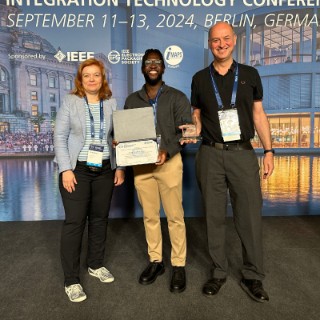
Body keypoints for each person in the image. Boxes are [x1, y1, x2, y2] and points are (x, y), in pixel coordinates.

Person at [189, 22, 274, 302]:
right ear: (209, 43)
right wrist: (192, 130)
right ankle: (218, 272)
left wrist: (269, 151)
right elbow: (197, 116)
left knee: (249, 217)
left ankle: (253, 276)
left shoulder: (250, 74)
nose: (221, 44)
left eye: (226, 39)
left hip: (242, 153)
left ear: (234, 41)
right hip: (210, 154)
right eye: (215, 40)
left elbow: (259, 115)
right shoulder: (200, 78)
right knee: (213, 217)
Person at [54, 58, 125, 302]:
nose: (92, 79)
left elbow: (118, 137)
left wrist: (119, 167)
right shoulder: (70, 101)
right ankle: (71, 280)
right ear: (81, 79)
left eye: (96, 75)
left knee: (99, 219)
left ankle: (95, 264)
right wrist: (65, 169)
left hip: (105, 169)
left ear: (102, 78)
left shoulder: (112, 103)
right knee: (75, 223)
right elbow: (59, 137)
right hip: (78, 170)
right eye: (87, 75)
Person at [124, 49, 191, 293]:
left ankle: (178, 264)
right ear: (142, 67)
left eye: (157, 62)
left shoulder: (177, 97)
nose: (153, 66)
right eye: (148, 62)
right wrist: (118, 139)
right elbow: (126, 131)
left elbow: (186, 130)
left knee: (175, 216)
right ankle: (156, 261)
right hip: (141, 167)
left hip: (169, 163)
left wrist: (167, 149)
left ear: (163, 67)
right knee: (150, 216)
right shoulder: (132, 100)